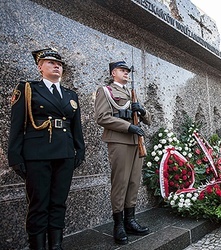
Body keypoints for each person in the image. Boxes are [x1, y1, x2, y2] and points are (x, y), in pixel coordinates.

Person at [8, 48, 85, 249]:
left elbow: (76, 126)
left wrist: (80, 150)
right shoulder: (27, 89)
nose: (57, 66)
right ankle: (38, 247)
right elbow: (16, 125)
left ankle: (56, 245)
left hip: (65, 153)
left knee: (59, 202)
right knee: (38, 204)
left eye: (59, 64)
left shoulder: (71, 94)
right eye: (51, 62)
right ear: (40, 67)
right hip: (37, 154)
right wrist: (15, 156)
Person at [94, 61, 151, 245]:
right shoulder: (106, 91)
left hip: (136, 142)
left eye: (127, 71)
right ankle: (118, 224)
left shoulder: (131, 93)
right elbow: (102, 117)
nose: (126, 73)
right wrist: (128, 127)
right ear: (113, 73)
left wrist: (141, 111)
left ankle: (130, 220)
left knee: (134, 182)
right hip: (119, 140)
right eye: (122, 70)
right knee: (121, 182)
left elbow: (148, 119)